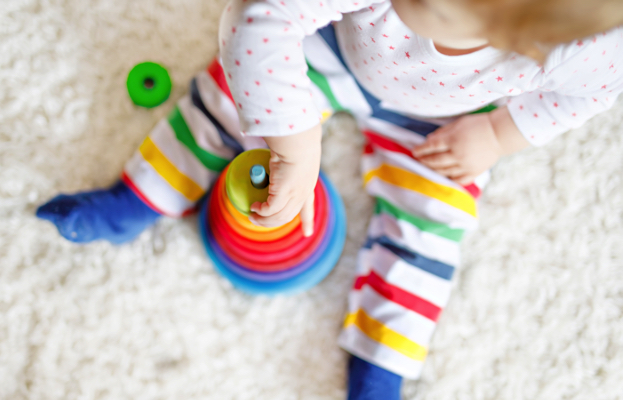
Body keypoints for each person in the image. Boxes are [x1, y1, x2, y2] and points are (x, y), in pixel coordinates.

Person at [37, 0, 623, 398]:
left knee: (433, 223)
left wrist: (499, 134)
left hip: (451, 118)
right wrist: (293, 141)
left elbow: (579, 97)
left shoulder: (588, 43)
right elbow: (258, 18)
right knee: (231, 100)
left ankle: (381, 363)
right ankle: (142, 195)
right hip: (332, 49)